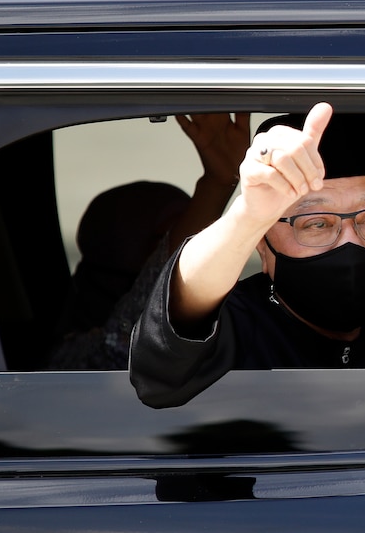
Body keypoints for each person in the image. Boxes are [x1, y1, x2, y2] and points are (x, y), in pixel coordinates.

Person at [129, 102, 365, 408]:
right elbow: (159, 368)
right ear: (262, 243)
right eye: (315, 223)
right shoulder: (233, 331)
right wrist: (248, 216)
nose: (349, 242)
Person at [47, 113, 250, 369]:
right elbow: (130, 340)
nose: (197, 255)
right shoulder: (70, 366)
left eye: (202, 234)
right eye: (164, 242)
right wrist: (217, 184)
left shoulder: (238, 329)